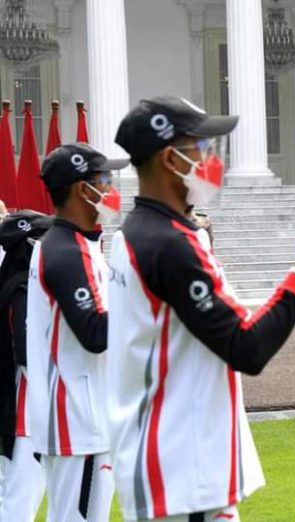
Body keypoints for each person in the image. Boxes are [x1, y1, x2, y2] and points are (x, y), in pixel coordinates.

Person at [108, 95, 295, 522]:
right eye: (200, 147)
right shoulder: (170, 243)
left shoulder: (135, 233)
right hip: (183, 473)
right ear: (169, 159)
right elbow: (245, 347)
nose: (211, 158)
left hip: (171, 463)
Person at [25, 143, 128, 521]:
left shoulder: (77, 245)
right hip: (77, 418)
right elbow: (96, 333)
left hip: (84, 413)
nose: (111, 188)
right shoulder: (66, 250)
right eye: (105, 180)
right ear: (83, 189)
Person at [0, 210, 52, 522]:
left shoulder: (10, 283)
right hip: (25, 413)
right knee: (20, 502)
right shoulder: (22, 289)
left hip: (15, 409)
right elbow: (26, 354)